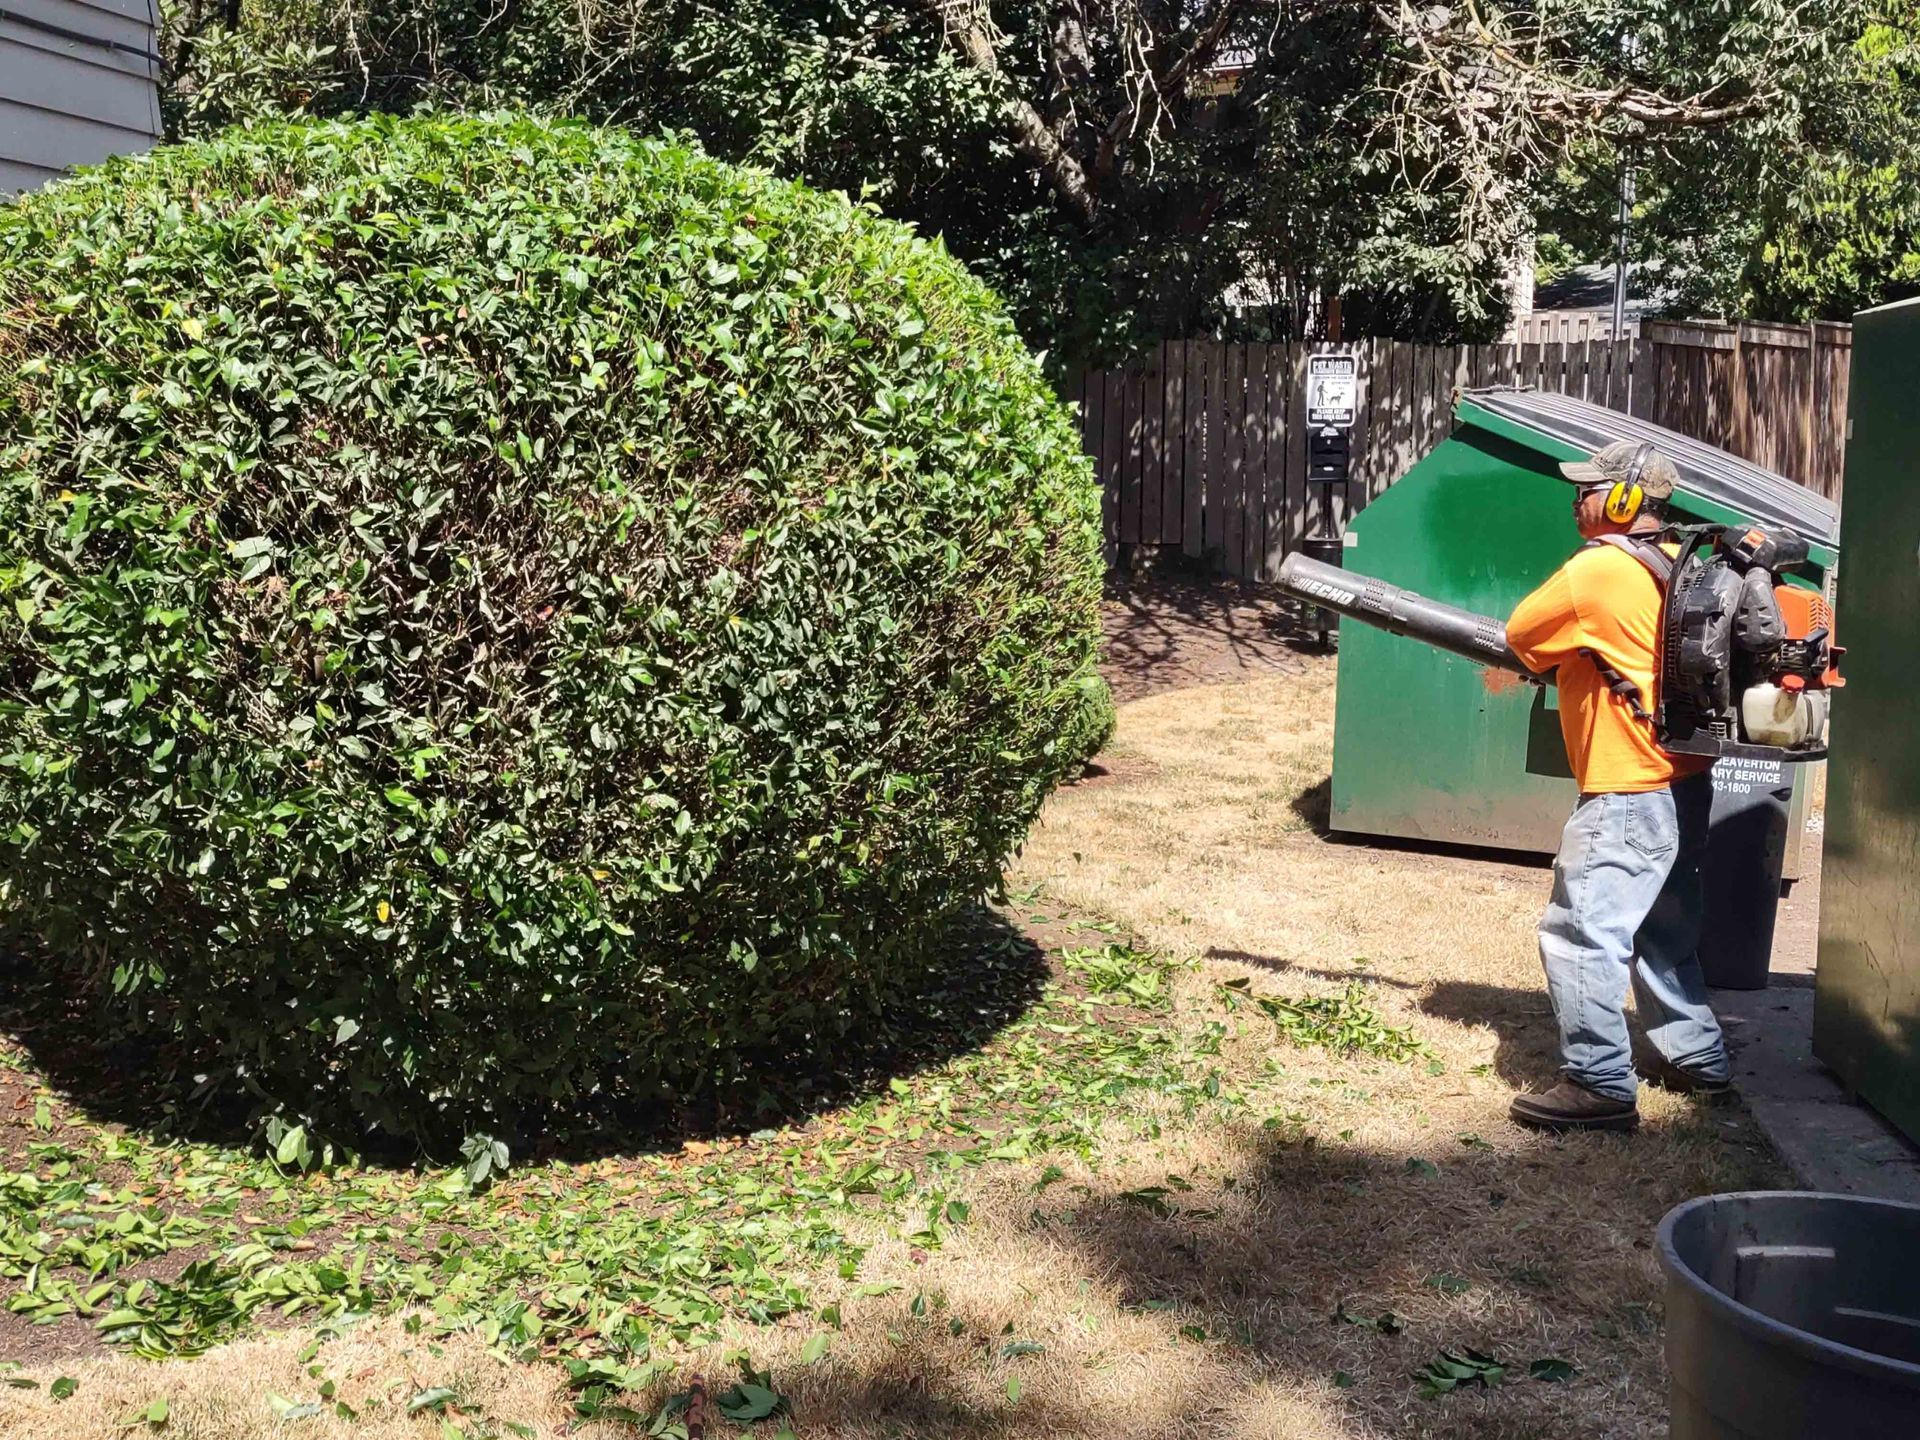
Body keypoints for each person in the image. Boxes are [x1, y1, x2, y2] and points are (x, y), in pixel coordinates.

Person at [1501, 440, 1731, 1133]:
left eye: (1591, 489)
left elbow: (1522, 635)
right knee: (1664, 933)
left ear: (1626, 500)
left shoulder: (1599, 569)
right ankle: (1695, 1058)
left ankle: (1597, 1081)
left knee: (1582, 932)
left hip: (1628, 784)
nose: (1579, 500)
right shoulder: (1675, 566)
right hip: (1684, 781)